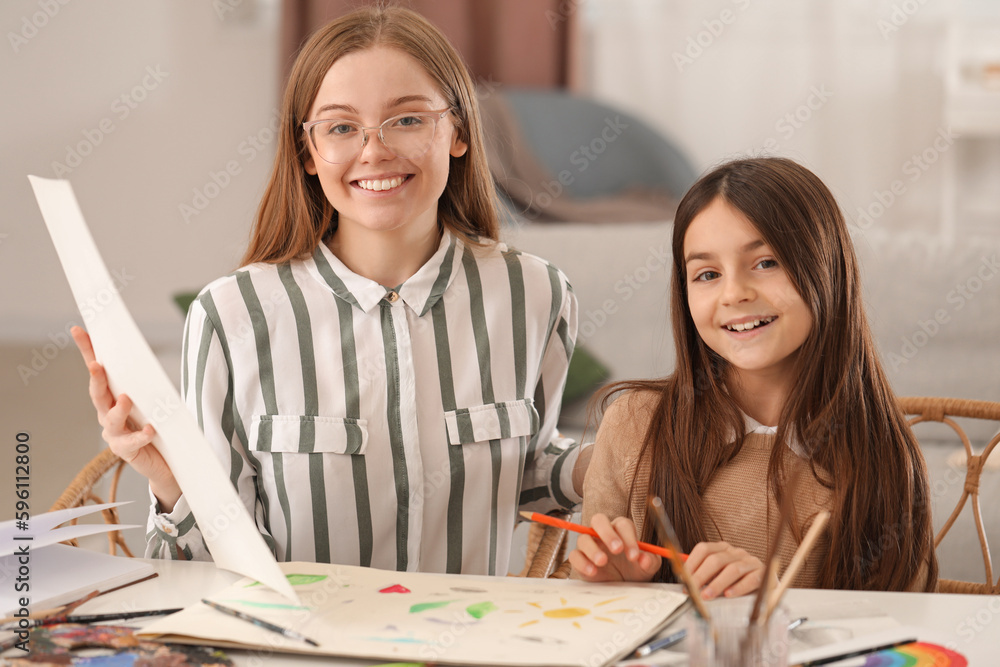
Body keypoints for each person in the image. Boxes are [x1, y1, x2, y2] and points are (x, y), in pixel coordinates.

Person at [71, 5, 590, 576]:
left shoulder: (535, 294)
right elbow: (200, 577)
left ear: (459, 132)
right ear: (308, 154)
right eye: (341, 127)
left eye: (408, 120)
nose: (375, 150)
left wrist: (612, 462)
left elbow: (530, 473)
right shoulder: (229, 317)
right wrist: (170, 481)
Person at [568, 157, 937, 596]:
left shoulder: (883, 451)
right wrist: (616, 586)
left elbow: (898, 640)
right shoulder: (634, 425)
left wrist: (774, 609)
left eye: (765, 263)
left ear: (828, 268)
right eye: (707, 274)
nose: (734, 293)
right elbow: (591, 623)